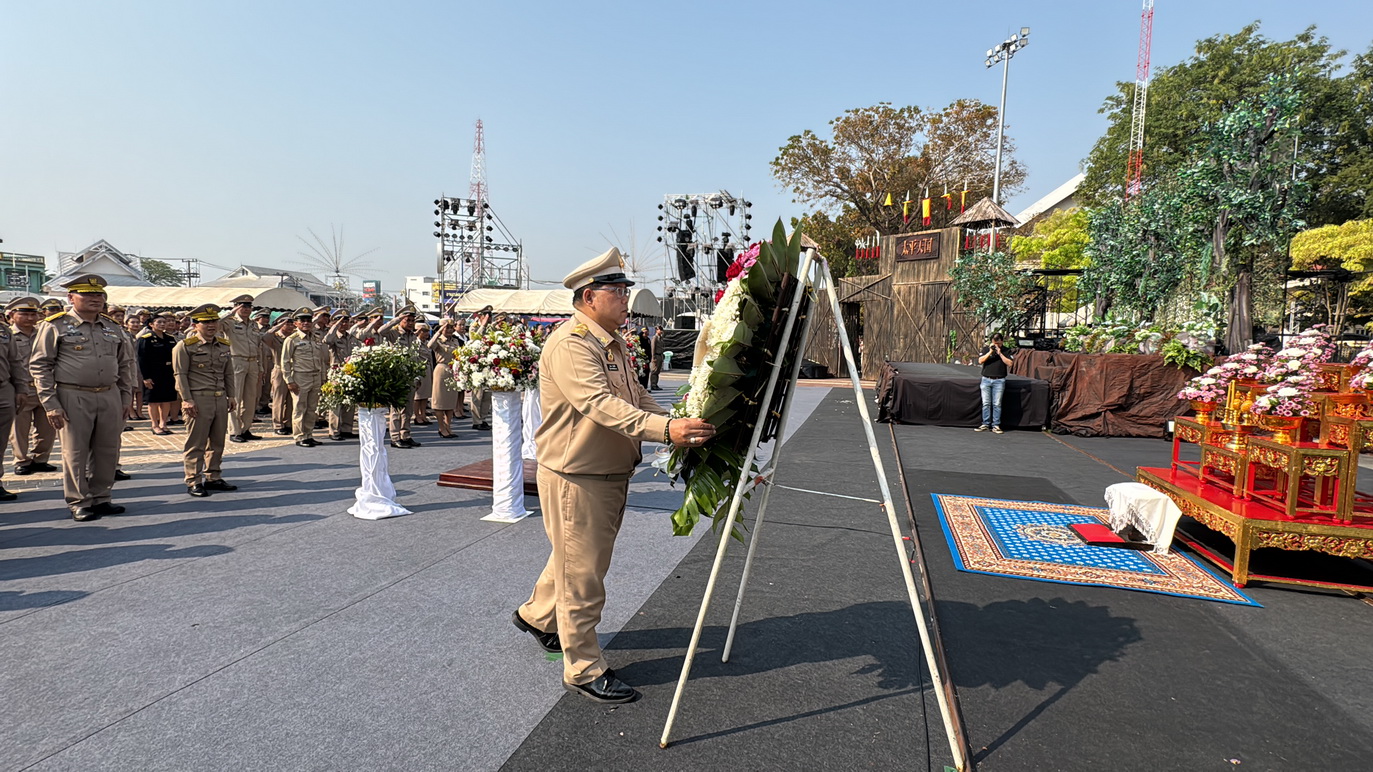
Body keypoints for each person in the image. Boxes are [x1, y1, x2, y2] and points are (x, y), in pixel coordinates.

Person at [515, 247, 715, 704]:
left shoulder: (611, 341)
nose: (626, 298)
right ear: (589, 296)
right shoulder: (572, 344)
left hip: (604, 471)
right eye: (618, 291)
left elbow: (636, 395)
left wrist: (672, 423)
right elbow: (599, 405)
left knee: (572, 558)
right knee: (583, 574)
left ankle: (537, 615)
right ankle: (583, 668)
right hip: (578, 475)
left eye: (625, 290)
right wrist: (666, 430)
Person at [29, 274, 135, 521]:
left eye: (98, 295)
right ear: (71, 297)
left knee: (107, 449)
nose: (94, 299)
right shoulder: (55, 325)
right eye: (87, 294)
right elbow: (40, 366)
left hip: (109, 394)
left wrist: (125, 397)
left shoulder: (112, 327)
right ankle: (79, 501)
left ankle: (101, 497)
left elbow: (125, 364)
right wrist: (51, 404)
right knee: (75, 452)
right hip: (73, 394)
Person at [173, 304, 239, 497]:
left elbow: (228, 372)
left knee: (217, 442)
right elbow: (180, 374)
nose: (211, 325)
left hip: (219, 397)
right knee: (196, 442)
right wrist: (186, 399)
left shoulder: (223, 345)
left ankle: (213, 476)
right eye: (206, 322)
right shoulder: (185, 346)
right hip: (198, 399)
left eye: (214, 321)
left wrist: (231, 395)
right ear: (195, 325)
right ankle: (193, 480)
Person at [8, 297, 57, 477]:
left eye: (33, 314)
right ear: (12, 315)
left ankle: (41, 458)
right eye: (24, 314)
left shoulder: (45, 333)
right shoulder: (7, 336)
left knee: (47, 428)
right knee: (19, 429)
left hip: (45, 388)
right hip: (20, 389)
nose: (30, 318)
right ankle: (21, 460)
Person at [376, 304, 424, 448]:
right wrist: (396, 319)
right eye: (407, 320)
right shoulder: (394, 333)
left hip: (410, 376)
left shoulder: (412, 336)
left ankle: (406, 435)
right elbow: (381, 331)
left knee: (408, 410)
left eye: (412, 320)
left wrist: (418, 376)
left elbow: (415, 357)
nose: (410, 323)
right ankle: (395, 437)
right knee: (396, 410)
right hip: (397, 377)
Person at [281, 307, 328, 447]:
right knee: (300, 407)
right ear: (296, 323)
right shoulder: (292, 340)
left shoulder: (316, 338)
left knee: (312, 408)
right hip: (301, 377)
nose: (306, 323)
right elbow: (285, 361)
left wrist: (323, 377)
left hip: (316, 376)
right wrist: (289, 381)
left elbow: (321, 359)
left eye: (308, 320)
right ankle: (299, 436)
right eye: (302, 320)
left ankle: (309, 434)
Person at [221, 294, 264, 443]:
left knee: (250, 398)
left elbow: (258, 346)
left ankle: (245, 429)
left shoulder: (253, 324)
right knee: (235, 397)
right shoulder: (229, 322)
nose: (246, 309)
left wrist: (260, 367)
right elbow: (216, 325)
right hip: (236, 361)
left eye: (248, 306)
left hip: (252, 362)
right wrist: (230, 313)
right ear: (236, 307)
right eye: (242, 306)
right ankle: (234, 431)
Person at [136, 312, 179, 435]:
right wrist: (146, 377)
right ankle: (154, 424)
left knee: (166, 400)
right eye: (159, 322)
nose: (162, 324)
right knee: (154, 401)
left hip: (168, 372)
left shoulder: (170, 339)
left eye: (164, 322)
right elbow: (142, 359)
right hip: (153, 373)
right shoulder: (146, 339)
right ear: (151, 324)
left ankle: (163, 423)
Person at [322, 310, 358, 441]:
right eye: (341, 321)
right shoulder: (333, 337)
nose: (344, 324)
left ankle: (347, 429)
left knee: (349, 402)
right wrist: (336, 326)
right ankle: (334, 430)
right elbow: (327, 340)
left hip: (350, 372)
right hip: (336, 372)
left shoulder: (352, 338)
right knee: (336, 403)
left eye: (346, 321)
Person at [429, 316, 465, 438]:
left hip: (453, 369)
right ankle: (441, 427)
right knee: (440, 401)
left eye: (451, 327)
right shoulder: (439, 340)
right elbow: (430, 345)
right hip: (442, 369)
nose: (449, 330)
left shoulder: (455, 340)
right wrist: (439, 332)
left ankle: (448, 425)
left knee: (451, 401)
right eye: (446, 327)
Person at [975, 332, 1015, 434]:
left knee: (997, 404)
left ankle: (996, 425)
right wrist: (990, 352)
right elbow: (980, 361)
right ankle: (985, 423)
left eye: (999, 343)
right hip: (986, 379)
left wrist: (1000, 353)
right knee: (986, 403)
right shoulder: (986, 349)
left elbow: (1010, 363)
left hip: (999, 380)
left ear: (1002, 342)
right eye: (995, 343)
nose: (997, 345)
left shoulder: (1006, 350)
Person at [267, 315, 295, 435]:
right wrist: (278, 326)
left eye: (291, 324)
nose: (289, 326)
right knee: (279, 398)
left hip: (293, 370)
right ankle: (278, 424)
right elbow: (265, 337)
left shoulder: (294, 337)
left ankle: (288, 423)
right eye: (286, 324)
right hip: (279, 369)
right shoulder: (275, 337)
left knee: (290, 399)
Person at [467, 306, 494, 430]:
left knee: (487, 395)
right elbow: (475, 339)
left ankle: (483, 419)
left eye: (490, 316)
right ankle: (476, 420)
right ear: (481, 316)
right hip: (477, 364)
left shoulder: (490, 328)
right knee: (477, 395)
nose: (489, 319)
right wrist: (482, 325)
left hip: (488, 363)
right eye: (486, 316)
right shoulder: (474, 327)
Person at [413, 322, 434, 425]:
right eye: (424, 331)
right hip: (419, 370)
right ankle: (417, 416)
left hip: (427, 369)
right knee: (418, 396)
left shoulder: (426, 343)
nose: (426, 334)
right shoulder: (415, 343)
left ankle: (423, 414)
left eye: (427, 331)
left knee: (425, 395)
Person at [649, 324, 664, 390]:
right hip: (656, 355)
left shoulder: (660, 338)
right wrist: (653, 357)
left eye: (661, 330)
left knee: (658, 371)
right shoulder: (655, 338)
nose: (661, 331)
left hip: (660, 355)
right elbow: (653, 348)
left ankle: (656, 383)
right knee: (654, 371)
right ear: (656, 330)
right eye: (660, 330)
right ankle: (653, 384)